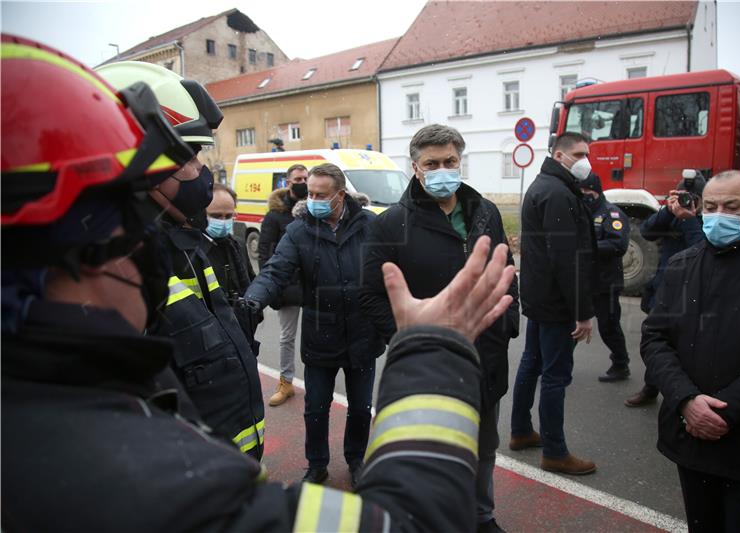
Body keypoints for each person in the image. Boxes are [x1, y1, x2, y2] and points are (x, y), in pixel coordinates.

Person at [2, 36, 521, 533]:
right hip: (330, 342)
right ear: (82, 243)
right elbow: (411, 523)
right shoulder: (113, 469)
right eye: (136, 220)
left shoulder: (59, 410)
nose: (148, 249)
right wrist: (431, 349)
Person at [96, 61, 266, 460]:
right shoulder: (117, 282)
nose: (199, 172)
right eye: (185, 157)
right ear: (131, 174)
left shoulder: (184, 246)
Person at [360, 124, 519, 533]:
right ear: (415, 168)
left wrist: (507, 324)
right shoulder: (391, 224)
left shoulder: (484, 211)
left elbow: (505, 271)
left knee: (484, 447)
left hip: (486, 357)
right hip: (424, 364)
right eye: (432, 163)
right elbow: (371, 296)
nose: (442, 170)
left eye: (450, 161)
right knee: (426, 452)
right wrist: (412, 339)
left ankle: (482, 516)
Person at [641, 170, 740, 533]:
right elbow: (656, 338)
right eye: (711, 207)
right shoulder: (683, 265)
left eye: (732, 207)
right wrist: (687, 400)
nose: (719, 215)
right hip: (692, 441)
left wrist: (727, 412)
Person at [245, 163, 383, 486]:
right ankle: (317, 464)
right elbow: (275, 270)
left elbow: (391, 268)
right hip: (321, 335)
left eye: (321, 195)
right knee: (316, 408)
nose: (313, 200)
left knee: (362, 408)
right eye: (309, 193)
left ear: (340, 196)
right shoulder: (299, 230)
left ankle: (356, 459)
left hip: (363, 335)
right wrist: (254, 298)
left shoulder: (369, 225)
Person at [510, 131, 596, 476]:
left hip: (541, 296)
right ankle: (555, 451)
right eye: (580, 153)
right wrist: (582, 311)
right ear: (560, 155)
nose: (586, 160)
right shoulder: (558, 192)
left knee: (532, 364)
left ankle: (519, 431)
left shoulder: (546, 186)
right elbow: (566, 258)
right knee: (556, 376)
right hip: (557, 301)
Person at [626, 173, 705, 407]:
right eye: (680, 197)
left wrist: (690, 218)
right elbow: (647, 231)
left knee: (685, 347)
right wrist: (667, 211)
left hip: (691, 293)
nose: (685, 202)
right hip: (665, 288)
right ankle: (651, 386)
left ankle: (686, 394)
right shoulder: (672, 216)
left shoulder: (709, 220)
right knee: (656, 343)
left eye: (690, 198)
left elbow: (701, 249)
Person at [257, 164, 308, 407]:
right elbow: (265, 253)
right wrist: (273, 289)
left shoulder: (313, 209)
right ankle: (286, 382)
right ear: (287, 182)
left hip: (313, 285)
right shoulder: (274, 215)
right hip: (288, 286)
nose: (303, 181)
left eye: (306, 177)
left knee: (317, 335)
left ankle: (316, 381)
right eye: (298, 178)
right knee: (287, 336)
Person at [579, 173, 631, 382]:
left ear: (595, 191)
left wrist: (587, 248)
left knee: (608, 326)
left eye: (586, 192)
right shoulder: (582, 213)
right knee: (575, 324)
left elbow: (618, 245)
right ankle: (560, 363)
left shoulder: (612, 214)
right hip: (585, 281)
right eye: (579, 192)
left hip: (606, 283)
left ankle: (621, 364)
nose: (583, 196)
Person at [205, 183, 260, 353]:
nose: (222, 222)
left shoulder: (237, 244)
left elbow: (250, 281)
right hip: (214, 341)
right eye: (216, 216)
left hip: (244, 335)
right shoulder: (194, 251)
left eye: (228, 216)